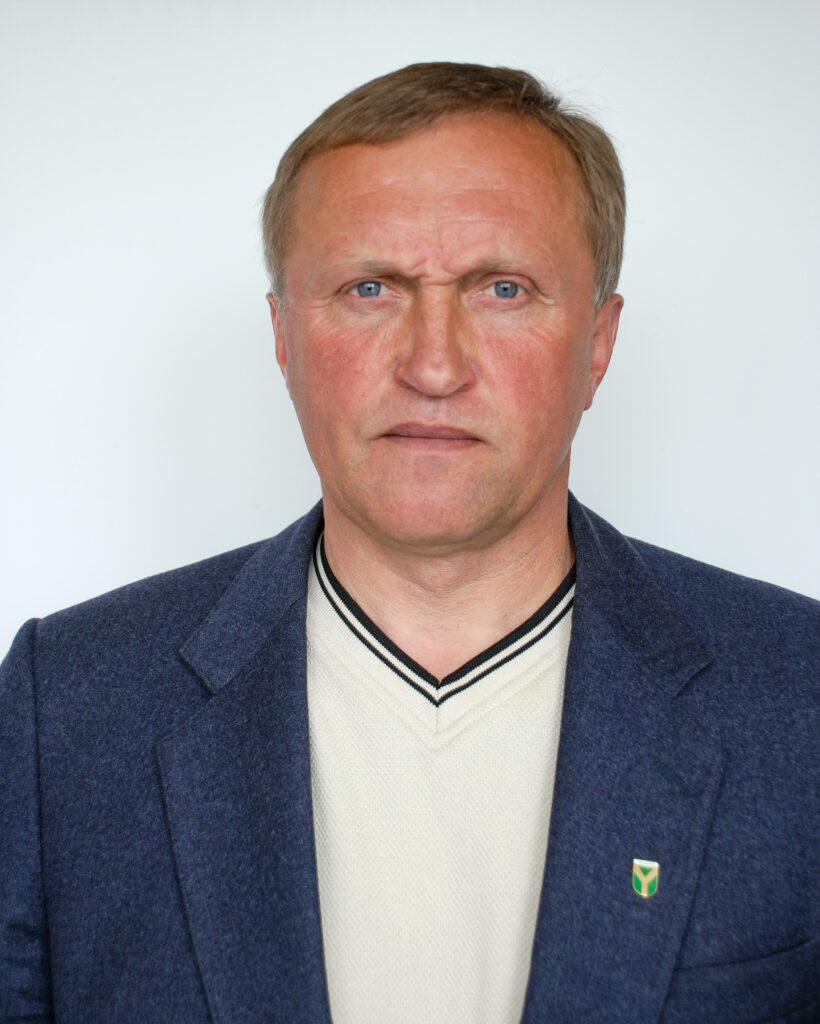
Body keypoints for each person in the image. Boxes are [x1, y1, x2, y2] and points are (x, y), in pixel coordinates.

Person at [0, 62, 817, 1024]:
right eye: (369, 288)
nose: (434, 366)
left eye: (503, 289)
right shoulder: (68, 706)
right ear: (282, 337)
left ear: (598, 345)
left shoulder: (798, 696)